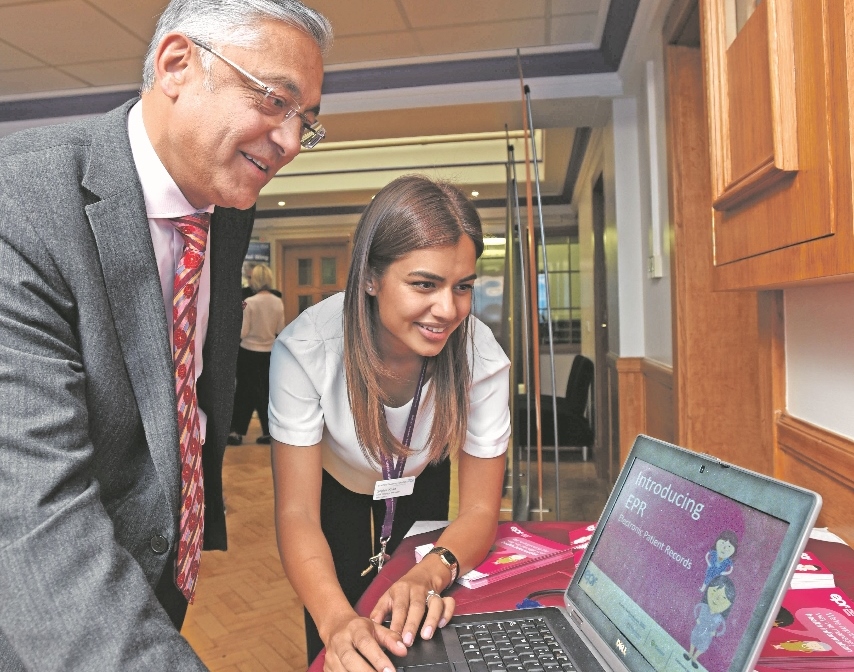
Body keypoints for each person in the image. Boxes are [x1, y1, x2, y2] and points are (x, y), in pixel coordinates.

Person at [0, 1, 331, 669]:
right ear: (177, 64)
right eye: (275, 101)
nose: (292, 142)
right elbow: (34, 512)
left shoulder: (226, 203)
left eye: (307, 122)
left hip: (153, 575)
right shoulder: (21, 201)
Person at [269, 174, 511, 669]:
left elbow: (481, 511)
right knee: (341, 635)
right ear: (370, 278)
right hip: (334, 487)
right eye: (425, 284)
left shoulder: (480, 353)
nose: (448, 310)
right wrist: (336, 623)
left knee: (419, 629)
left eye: (462, 287)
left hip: (421, 476)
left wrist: (431, 572)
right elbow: (297, 515)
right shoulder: (305, 350)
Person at [228, 264, 285, 445]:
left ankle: (236, 432)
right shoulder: (278, 302)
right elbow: (280, 329)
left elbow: (242, 333)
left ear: (257, 280)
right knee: (266, 392)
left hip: (248, 353)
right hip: (269, 353)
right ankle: (269, 431)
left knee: (244, 392)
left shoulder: (249, 303)